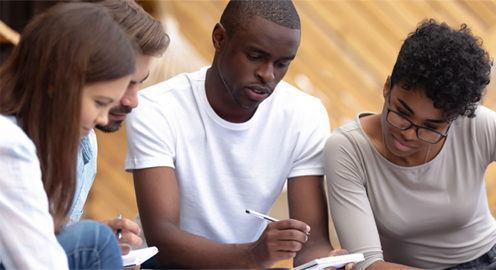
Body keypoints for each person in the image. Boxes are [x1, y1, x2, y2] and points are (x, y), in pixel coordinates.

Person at [125, 0, 352, 269]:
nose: (267, 74)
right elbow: (162, 239)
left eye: (281, 64)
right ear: (219, 38)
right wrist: (252, 255)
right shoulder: (156, 108)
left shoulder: (304, 116)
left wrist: (327, 263)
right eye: (255, 56)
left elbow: (311, 244)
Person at [324, 19, 496, 270]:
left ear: (453, 119)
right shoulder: (347, 150)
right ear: (387, 87)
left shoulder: (474, 124)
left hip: (495, 261)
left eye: (431, 127)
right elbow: (368, 265)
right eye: (401, 113)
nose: (408, 134)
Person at [0, 3, 136, 269]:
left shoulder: (75, 143)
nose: (102, 118)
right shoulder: (9, 144)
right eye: (99, 102)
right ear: (55, 81)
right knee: (97, 241)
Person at [69, 0, 170, 257]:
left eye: (138, 84)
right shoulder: (14, 141)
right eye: (123, 83)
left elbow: (49, 243)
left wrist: (94, 244)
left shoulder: (86, 143)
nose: (132, 101)